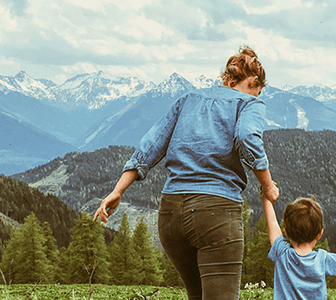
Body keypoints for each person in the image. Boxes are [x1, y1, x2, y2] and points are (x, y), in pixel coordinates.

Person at [92, 45, 279, 300]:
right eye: (258, 92)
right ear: (254, 81)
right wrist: (267, 186)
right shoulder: (250, 104)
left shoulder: (188, 99)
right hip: (216, 213)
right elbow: (247, 138)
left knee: (197, 295)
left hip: (170, 215)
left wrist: (118, 191)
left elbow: (150, 145)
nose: (257, 96)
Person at [263, 196, 336, 299]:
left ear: (285, 231)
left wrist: (266, 198)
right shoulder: (322, 260)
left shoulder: (282, 252)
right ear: (320, 234)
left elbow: (272, 224)